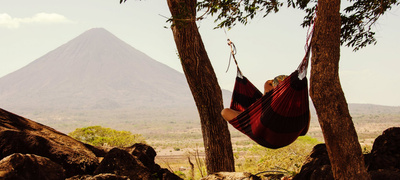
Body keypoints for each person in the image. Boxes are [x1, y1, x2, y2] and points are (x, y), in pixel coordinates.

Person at [221, 75, 288, 121]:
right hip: (257, 116)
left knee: (225, 112)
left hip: (261, 120)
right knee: (226, 112)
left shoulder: (281, 106)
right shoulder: (267, 103)